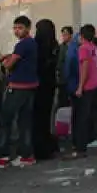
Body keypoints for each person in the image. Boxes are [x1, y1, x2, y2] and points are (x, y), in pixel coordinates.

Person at [0, 15, 40, 169]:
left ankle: (1, 157)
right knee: (25, 122)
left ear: (28, 28)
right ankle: (26, 156)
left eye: (20, 28)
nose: (16, 31)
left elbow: (9, 65)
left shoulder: (22, 45)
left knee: (5, 121)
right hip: (30, 87)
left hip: (17, 87)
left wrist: (4, 60)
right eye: (15, 28)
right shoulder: (32, 43)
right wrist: (10, 56)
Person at [64, 24, 97, 159]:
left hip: (89, 87)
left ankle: (80, 149)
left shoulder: (83, 49)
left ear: (81, 36)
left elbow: (85, 68)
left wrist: (80, 87)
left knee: (82, 118)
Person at [32, 19, 60, 161]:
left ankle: (39, 148)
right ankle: (47, 147)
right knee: (46, 118)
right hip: (50, 85)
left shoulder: (37, 46)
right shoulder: (54, 46)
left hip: (37, 86)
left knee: (37, 119)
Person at [56, 26, 73, 109]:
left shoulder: (75, 47)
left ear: (71, 35)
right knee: (62, 100)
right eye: (63, 34)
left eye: (66, 34)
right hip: (62, 77)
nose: (64, 36)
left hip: (72, 78)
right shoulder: (60, 47)